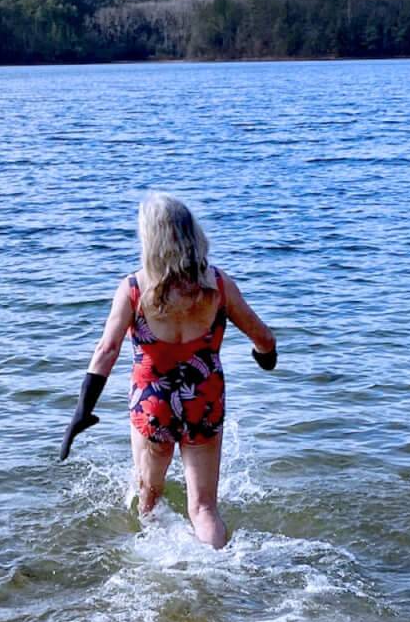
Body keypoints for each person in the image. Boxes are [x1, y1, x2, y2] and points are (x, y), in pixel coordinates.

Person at [59, 193, 276, 550]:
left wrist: (82, 411)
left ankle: (164, 568)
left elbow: (106, 350)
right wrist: (266, 357)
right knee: (204, 508)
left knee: (149, 501)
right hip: (204, 401)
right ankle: (216, 571)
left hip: (153, 406)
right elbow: (263, 338)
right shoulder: (218, 286)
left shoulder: (134, 288)